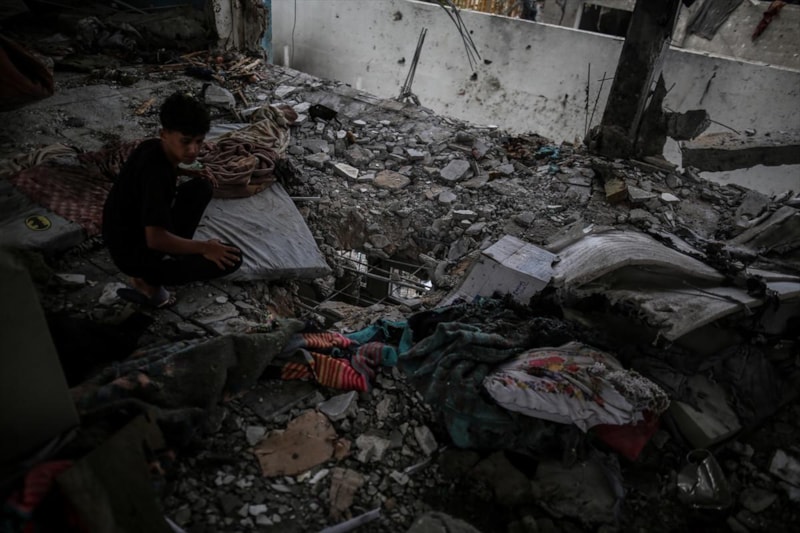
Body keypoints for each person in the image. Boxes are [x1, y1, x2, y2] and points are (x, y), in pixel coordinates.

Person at [102, 91, 242, 308]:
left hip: (122, 235)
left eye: (199, 141)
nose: (193, 150)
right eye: (185, 142)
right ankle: (148, 281)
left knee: (201, 187)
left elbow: (146, 180)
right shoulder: (158, 176)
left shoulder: (150, 147)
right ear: (164, 134)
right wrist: (205, 247)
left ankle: (169, 258)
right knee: (233, 258)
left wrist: (185, 171)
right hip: (133, 256)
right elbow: (155, 240)